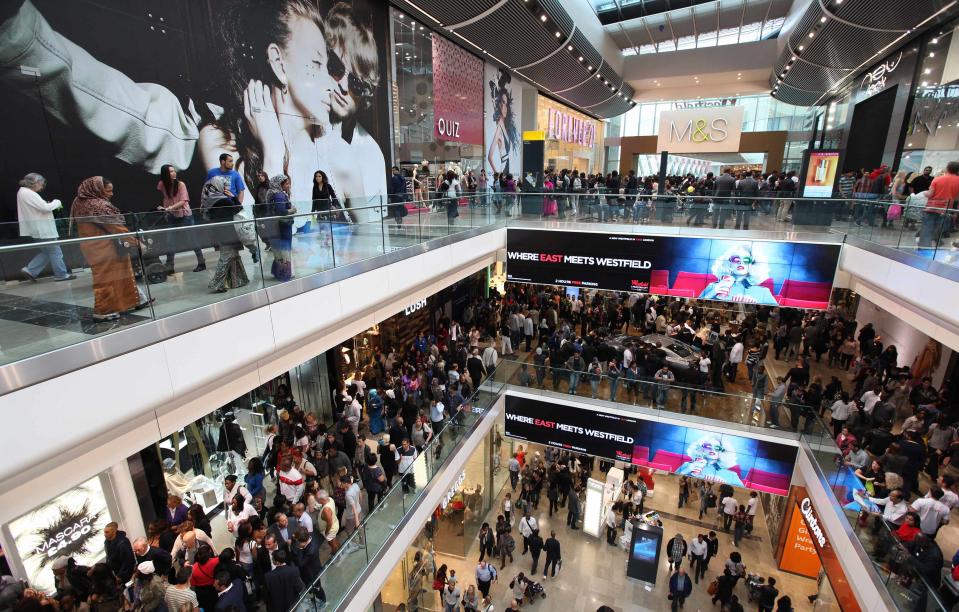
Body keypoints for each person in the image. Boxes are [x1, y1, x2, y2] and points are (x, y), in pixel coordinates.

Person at [71, 177, 148, 320]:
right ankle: (103, 311)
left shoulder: (78, 201)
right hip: (105, 248)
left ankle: (134, 300)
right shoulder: (98, 205)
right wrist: (136, 243)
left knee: (119, 274)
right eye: (108, 191)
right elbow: (117, 229)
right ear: (98, 190)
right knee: (106, 279)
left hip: (91, 246)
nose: (111, 194)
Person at [17, 173, 75, 282]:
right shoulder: (29, 193)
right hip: (43, 229)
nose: (42, 187)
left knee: (47, 251)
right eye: (41, 184)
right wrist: (56, 202)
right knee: (55, 252)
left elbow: (39, 208)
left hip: (36, 228)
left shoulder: (23, 192)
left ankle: (30, 270)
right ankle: (61, 275)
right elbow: (45, 208)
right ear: (35, 182)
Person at [201, 175, 249, 293]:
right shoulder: (223, 200)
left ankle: (236, 280)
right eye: (224, 184)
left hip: (218, 233)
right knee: (226, 257)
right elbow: (238, 209)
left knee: (233, 256)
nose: (226, 187)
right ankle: (217, 284)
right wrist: (233, 197)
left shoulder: (209, 200)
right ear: (219, 185)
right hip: (227, 233)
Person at [156, 164, 205, 274]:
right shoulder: (162, 184)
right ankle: (170, 266)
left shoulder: (181, 184)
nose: (174, 173)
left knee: (192, 240)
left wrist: (169, 208)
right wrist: (164, 207)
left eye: (174, 171)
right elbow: (165, 197)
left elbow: (183, 201)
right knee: (170, 242)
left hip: (185, 215)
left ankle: (202, 263)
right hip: (172, 216)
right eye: (170, 172)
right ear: (165, 174)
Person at [698, 244, 776, 305]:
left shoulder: (763, 292)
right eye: (736, 259)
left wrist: (754, 306)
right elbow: (698, 304)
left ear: (753, 264)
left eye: (746, 260)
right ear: (728, 263)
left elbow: (775, 314)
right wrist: (713, 292)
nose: (741, 262)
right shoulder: (713, 286)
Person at [677, 435, 745, 486]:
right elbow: (674, 480)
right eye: (708, 446)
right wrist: (688, 469)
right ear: (700, 448)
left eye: (717, 448)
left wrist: (724, 485)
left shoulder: (732, 475)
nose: (712, 449)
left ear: (722, 451)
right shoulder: (688, 465)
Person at [265, 174, 296, 281]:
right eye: (286, 183)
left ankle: (278, 272)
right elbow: (281, 211)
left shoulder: (272, 193)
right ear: (279, 184)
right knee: (284, 249)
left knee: (278, 249)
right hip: (282, 226)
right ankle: (284, 274)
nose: (289, 185)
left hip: (274, 226)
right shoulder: (279, 195)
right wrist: (293, 210)